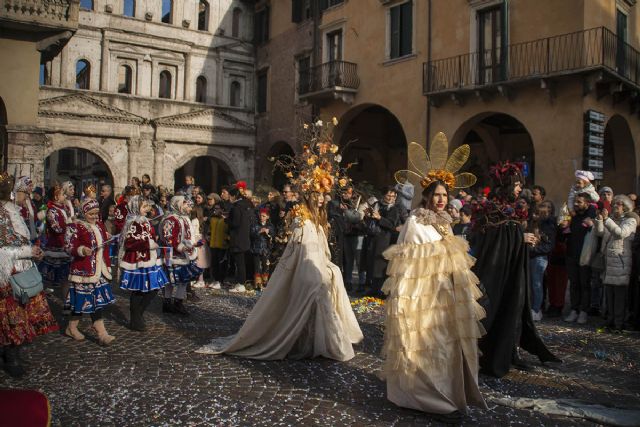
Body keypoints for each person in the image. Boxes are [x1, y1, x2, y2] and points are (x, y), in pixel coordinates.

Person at [382, 136, 486, 421]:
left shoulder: (445, 223)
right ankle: (428, 399)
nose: (441, 200)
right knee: (428, 348)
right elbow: (409, 267)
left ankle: (446, 395)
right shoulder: (416, 222)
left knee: (446, 348)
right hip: (424, 301)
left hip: (446, 299)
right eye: (437, 195)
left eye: (445, 195)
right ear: (427, 195)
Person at [473, 160, 560, 377]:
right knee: (494, 308)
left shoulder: (514, 208)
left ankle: (510, 351)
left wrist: (521, 238)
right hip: (497, 270)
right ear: (507, 184)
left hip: (513, 267)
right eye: (517, 184)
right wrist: (520, 238)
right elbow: (494, 238)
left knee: (515, 306)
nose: (520, 188)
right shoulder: (492, 208)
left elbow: (509, 233)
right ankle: (489, 355)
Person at [0, 172, 58, 378]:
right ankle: (10, 355)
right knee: (10, 314)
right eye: (23, 191)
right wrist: (27, 252)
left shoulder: (13, 211)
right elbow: (3, 247)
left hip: (22, 266)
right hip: (8, 272)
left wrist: (33, 251)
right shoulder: (2, 213)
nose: (26, 195)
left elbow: (21, 239)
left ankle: (12, 351)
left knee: (20, 312)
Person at [64, 199, 116, 345]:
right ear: (83, 212)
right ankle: (73, 327)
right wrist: (81, 250)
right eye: (91, 213)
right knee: (80, 302)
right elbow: (68, 246)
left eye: (96, 213)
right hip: (83, 270)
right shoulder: (75, 226)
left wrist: (107, 238)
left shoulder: (99, 225)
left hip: (98, 270)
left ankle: (101, 333)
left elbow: (102, 246)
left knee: (95, 302)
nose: (94, 216)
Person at [118, 196, 169, 331]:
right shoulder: (132, 222)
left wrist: (153, 239)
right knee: (139, 290)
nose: (147, 209)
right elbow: (129, 243)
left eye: (147, 206)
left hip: (149, 258)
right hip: (137, 260)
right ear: (136, 207)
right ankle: (136, 319)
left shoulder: (145, 220)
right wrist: (148, 244)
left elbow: (150, 235)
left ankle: (138, 314)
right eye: (144, 206)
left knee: (154, 287)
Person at [595, 195, 637, 332]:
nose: (614, 207)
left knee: (619, 296)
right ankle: (611, 320)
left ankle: (619, 323)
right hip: (609, 262)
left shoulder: (630, 220)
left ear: (625, 206)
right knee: (610, 294)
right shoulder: (613, 219)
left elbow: (620, 233)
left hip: (621, 262)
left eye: (618, 204)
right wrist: (599, 220)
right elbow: (601, 233)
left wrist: (607, 220)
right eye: (613, 204)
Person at [159, 196, 202, 315]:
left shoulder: (185, 218)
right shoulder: (170, 219)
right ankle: (167, 303)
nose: (188, 207)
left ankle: (178, 302)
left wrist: (194, 244)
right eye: (185, 205)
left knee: (184, 279)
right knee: (169, 280)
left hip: (185, 253)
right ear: (177, 205)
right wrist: (180, 247)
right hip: (170, 253)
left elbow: (189, 235)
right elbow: (168, 238)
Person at [562, 192, 597, 324]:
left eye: (579, 202)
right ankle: (574, 309)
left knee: (584, 284)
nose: (576, 204)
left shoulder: (592, 217)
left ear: (587, 204)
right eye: (575, 201)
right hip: (571, 255)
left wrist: (592, 224)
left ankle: (584, 311)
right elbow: (566, 236)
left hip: (585, 256)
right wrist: (563, 228)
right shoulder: (574, 218)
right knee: (574, 284)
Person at [363, 187, 401, 298]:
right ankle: (373, 288)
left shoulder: (394, 209)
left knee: (381, 264)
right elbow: (369, 220)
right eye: (388, 195)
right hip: (373, 237)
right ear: (383, 195)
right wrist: (368, 216)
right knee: (372, 263)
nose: (390, 198)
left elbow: (392, 225)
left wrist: (380, 218)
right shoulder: (377, 205)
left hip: (385, 239)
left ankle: (382, 291)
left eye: (393, 196)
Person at [527, 201, 556, 321]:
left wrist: (533, 250)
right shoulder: (533, 224)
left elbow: (548, 246)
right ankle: (532, 308)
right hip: (531, 256)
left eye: (537, 214)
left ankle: (536, 309)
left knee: (537, 284)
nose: (534, 216)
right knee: (531, 284)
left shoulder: (548, 227)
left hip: (539, 258)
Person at [227, 187, 253, 293]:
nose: (229, 198)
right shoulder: (247, 205)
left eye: (230, 196)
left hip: (238, 237)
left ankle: (241, 284)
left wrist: (227, 220)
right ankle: (241, 282)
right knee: (242, 261)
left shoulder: (236, 207)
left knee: (240, 262)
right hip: (245, 237)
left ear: (234, 196)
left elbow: (235, 223)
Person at [250, 208, 275, 289]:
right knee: (257, 267)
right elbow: (251, 234)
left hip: (266, 250)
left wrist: (269, 232)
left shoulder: (270, 225)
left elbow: (273, 235)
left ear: (267, 217)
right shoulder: (255, 224)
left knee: (265, 266)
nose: (261, 217)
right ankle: (257, 283)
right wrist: (259, 231)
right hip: (256, 249)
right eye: (260, 216)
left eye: (264, 216)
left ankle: (265, 283)